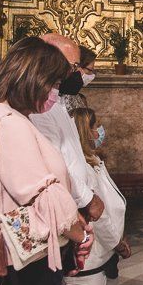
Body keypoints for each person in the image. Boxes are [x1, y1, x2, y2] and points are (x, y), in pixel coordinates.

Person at [0, 36, 93, 285]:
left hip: (25, 255)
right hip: (23, 260)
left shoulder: (3, 116)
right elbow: (42, 193)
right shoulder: (8, 123)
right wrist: (80, 233)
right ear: (33, 80)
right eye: (52, 85)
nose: (54, 93)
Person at [53, 107, 129, 285]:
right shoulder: (80, 170)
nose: (99, 132)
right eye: (95, 127)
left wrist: (117, 240)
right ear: (84, 132)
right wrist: (117, 242)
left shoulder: (95, 161)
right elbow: (100, 215)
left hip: (107, 251)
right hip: (92, 253)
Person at [30, 34, 105, 223]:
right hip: (63, 204)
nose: (74, 73)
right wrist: (87, 199)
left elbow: (72, 153)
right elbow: (55, 164)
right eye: (72, 67)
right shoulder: (39, 108)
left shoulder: (56, 103)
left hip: (75, 201)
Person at [63, 46, 97, 114]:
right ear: (76, 67)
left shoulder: (74, 93)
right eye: (90, 70)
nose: (91, 75)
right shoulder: (61, 94)